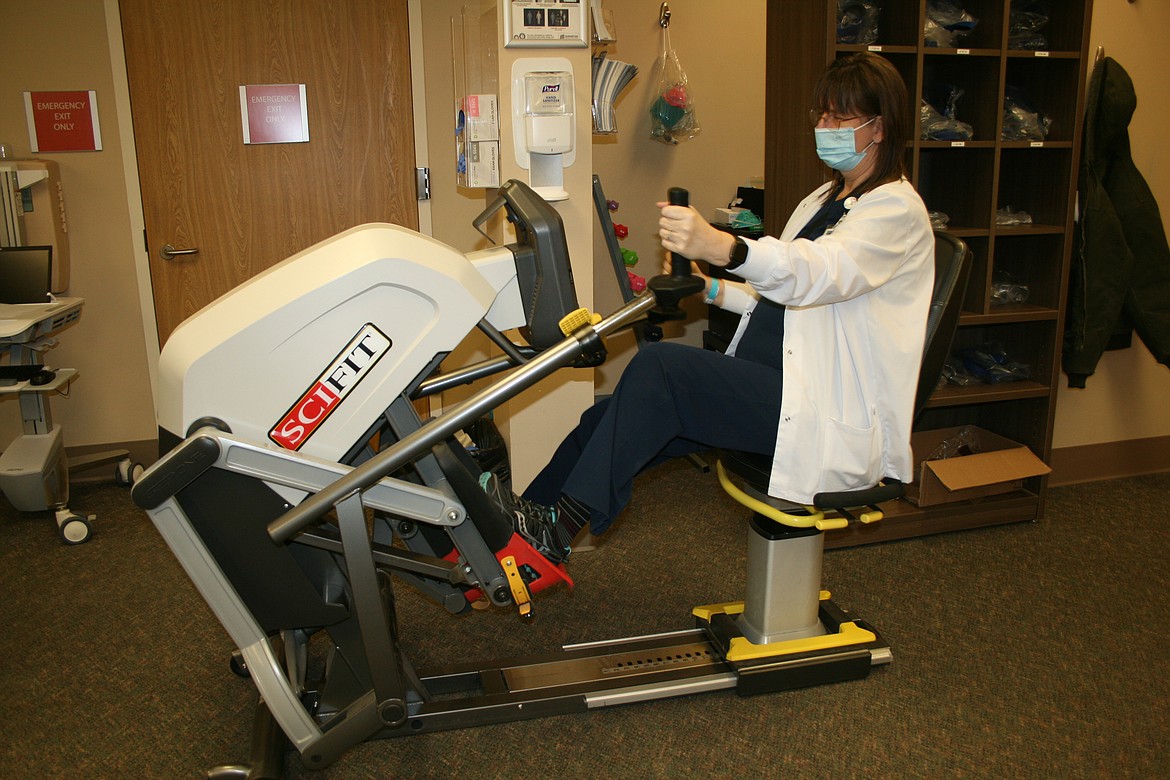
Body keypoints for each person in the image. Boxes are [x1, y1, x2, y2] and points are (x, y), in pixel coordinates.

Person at [487, 53, 935, 564]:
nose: (825, 128)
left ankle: (555, 531)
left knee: (662, 368)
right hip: (777, 385)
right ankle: (517, 531)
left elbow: (815, 274)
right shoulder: (822, 199)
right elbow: (787, 304)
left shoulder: (896, 210)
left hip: (820, 409)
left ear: (880, 127)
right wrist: (712, 290)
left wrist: (724, 247)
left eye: (840, 118)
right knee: (606, 415)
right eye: (823, 115)